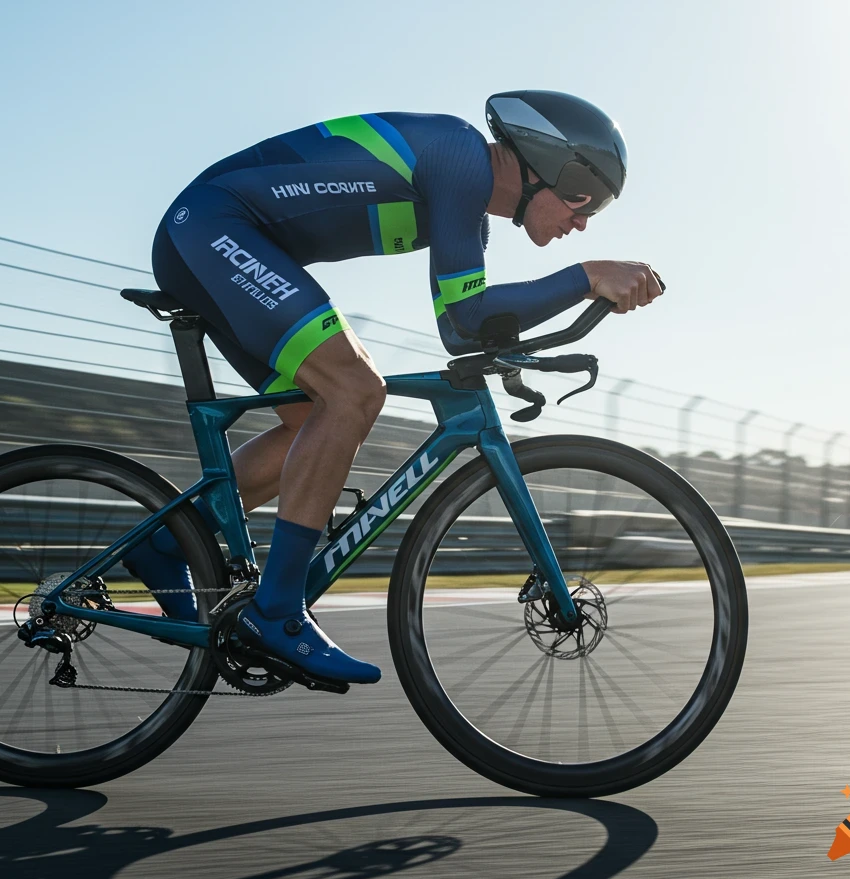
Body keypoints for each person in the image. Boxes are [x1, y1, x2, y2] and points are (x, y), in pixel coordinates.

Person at [124, 90, 663, 685]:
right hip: (212, 227)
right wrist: (584, 277)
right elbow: (466, 317)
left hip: (216, 237)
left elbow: (464, 331)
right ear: (548, 164)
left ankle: (167, 546)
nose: (583, 222)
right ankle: (277, 611)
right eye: (584, 201)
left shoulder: (467, 212)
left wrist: (555, 314)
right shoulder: (459, 156)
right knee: (355, 390)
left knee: (315, 418)